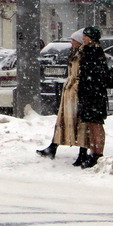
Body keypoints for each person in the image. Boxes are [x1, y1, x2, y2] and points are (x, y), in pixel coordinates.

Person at [37, 29, 89, 163]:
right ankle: (53, 146)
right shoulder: (75, 53)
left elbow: (81, 73)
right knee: (63, 120)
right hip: (70, 91)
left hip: (76, 91)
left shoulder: (83, 54)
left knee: (79, 121)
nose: (71, 43)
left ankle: (82, 152)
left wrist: (76, 84)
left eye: (73, 40)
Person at [75, 26, 113, 168]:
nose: (83, 38)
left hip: (94, 94)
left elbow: (96, 75)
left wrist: (89, 87)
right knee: (91, 124)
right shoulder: (88, 51)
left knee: (96, 124)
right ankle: (94, 153)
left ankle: (98, 154)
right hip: (90, 94)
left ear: (92, 38)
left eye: (86, 36)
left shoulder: (95, 53)